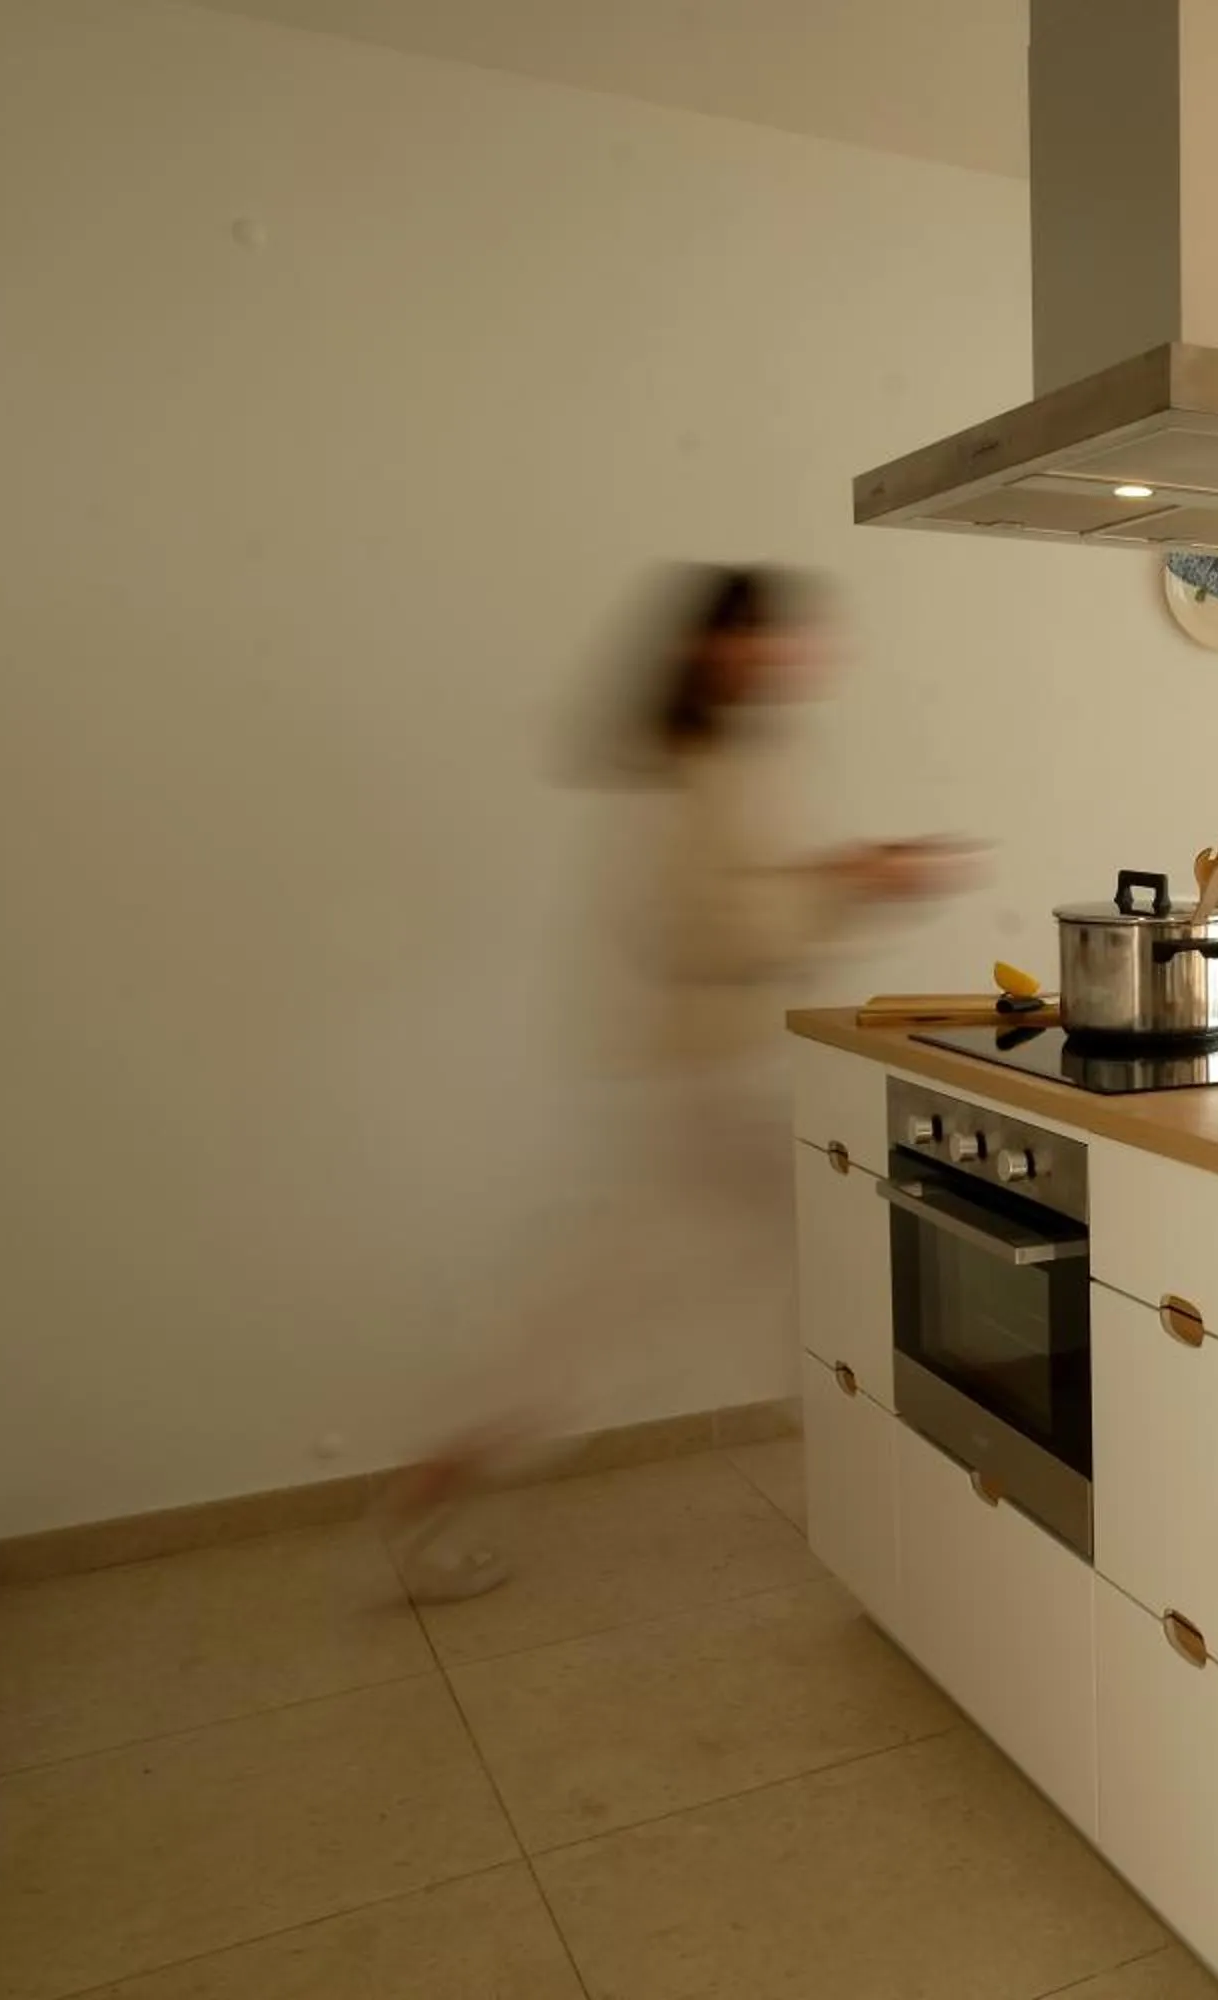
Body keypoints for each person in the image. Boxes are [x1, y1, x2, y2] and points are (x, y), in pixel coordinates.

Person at [383, 565, 977, 1599]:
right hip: (721, 1076)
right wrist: (859, 883)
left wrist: (839, 875)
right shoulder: (705, 761)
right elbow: (707, 928)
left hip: (702, 1072)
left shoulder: (716, 753)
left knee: (625, 1297)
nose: (794, 654)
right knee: (827, 1268)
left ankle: (452, 1465)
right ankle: (882, 1494)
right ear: (713, 648)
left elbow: (743, 898)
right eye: (767, 637)